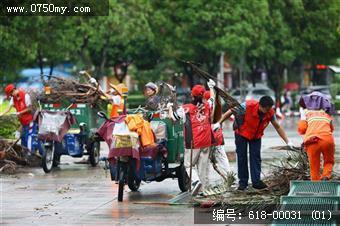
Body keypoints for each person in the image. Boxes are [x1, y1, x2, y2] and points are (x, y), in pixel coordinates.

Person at [212, 96, 293, 190]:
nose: (267, 111)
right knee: (242, 157)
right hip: (241, 133)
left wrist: (288, 141)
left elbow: (277, 127)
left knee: (256, 158)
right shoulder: (247, 106)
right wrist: (219, 123)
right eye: (265, 109)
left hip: (256, 136)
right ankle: (243, 182)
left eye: (269, 109)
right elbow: (231, 111)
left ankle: (256, 182)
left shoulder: (270, 112)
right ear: (260, 106)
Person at [168, 80, 216, 194]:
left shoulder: (186, 108)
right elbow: (212, 99)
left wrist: (169, 107)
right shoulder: (208, 106)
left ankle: (195, 181)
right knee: (203, 167)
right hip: (207, 140)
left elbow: (173, 117)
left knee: (188, 165)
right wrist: (212, 87)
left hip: (193, 141)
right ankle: (203, 191)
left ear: (192, 95)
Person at [297, 93, 335, 181]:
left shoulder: (305, 113)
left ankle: (316, 185)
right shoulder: (326, 114)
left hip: (312, 141)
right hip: (327, 139)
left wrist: (302, 118)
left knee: (314, 167)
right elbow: (331, 129)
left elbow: (302, 130)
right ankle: (326, 176)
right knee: (329, 161)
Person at [0, 84, 36, 153]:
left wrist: (20, 112)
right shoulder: (13, 99)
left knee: (29, 138)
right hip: (23, 122)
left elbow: (30, 108)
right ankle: (24, 155)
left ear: (13, 91)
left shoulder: (25, 96)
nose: (11, 96)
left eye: (11, 94)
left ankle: (30, 155)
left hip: (30, 121)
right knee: (23, 138)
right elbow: (8, 109)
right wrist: (1, 114)